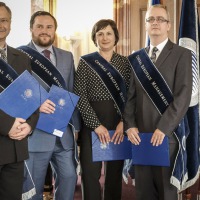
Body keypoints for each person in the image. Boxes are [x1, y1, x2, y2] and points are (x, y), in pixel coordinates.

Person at [123, 4, 192, 200]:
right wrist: (130, 126)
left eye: (160, 19)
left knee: (166, 193)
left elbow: (183, 96)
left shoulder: (182, 54)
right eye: (151, 19)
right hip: (140, 137)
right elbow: (130, 98)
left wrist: (163, 128)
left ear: (168, 25)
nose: (155, 23)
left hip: (167, 137)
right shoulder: (136, 59)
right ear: (146, 25)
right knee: (143, 192)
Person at [20, 11, 80, 200]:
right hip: (36, 134)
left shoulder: (67, 56)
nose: (44, 31)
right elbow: (17, 94)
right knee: (34, 187)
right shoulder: (19, 54)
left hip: (64, 135)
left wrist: (76, 126)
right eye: (39, 26)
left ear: (55, 30)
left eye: (49, 27)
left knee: (69, 177)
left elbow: (71, 91)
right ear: (31, 29)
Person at [74, 19, 131, 200]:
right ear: (95, 38)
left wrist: (124, 122)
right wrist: (95, 125)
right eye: (100, 34)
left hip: (118, 124)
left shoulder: (125, 63)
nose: (104, 37)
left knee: (114, 175)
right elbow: (79, 95)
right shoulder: (86, 62)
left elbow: (131, 96)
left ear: (115, 37)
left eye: (108, 33)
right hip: (92, 124)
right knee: (90, 174)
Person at [0, 2, 39, 200]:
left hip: (16, 147)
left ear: (10, 24)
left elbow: (31, 98)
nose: (0, 25)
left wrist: (30, 126)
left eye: (4, 20)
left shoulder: (22, 58)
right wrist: (8, 124)